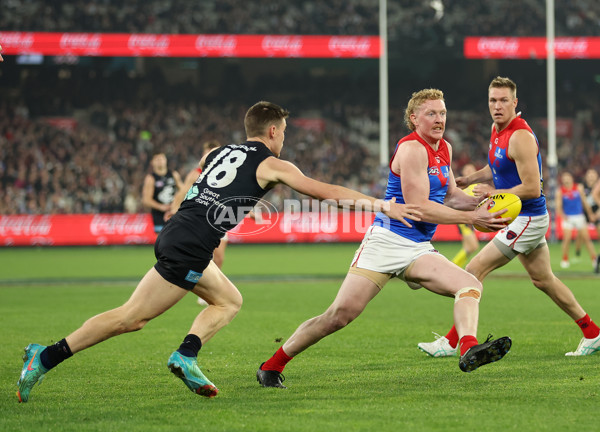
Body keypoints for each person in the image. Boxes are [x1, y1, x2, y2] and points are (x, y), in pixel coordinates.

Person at [16, 101, 422, 402]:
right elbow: (326, 192)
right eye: (284, 132)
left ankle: (184, 354)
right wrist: (383, 205)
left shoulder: (219, 152)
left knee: (228, 300)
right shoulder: (271, 164)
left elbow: (199, 181)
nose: (285, 138)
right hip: (192, 245)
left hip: (179, 231)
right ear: (275, 132)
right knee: (131, 318)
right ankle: (48, 356)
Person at [256, 89, 512, 390]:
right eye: (431, 113)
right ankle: (271, 366)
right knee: (338, 316)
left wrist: (486, 206)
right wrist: (473, 219)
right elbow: (419, 208)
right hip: (387, 241)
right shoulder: (411, 149)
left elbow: (451, 195)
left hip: (417, 248)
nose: (439, 119)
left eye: (442, 113)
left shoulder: (445, 148)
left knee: (469, 285)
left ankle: (468, 347)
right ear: (414, 118)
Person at [417, 77, 600, 359]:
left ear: (515, 103)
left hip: (528, 219)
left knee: (473, 270)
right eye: (493, 100)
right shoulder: (496, 130)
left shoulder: (521, 137)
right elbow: (497, 165)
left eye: (504, 101)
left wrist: (495, 192)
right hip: (525, 220)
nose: (497, 106)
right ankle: (592, 332)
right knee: (544, 280)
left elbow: (533, 187)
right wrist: (469, 178)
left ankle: (455, 342)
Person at [170, 140, 228, 306]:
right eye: (208, 151)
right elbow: (183, 191)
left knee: (219, 257)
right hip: (202, 221)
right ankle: (201, 289)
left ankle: (211, 289)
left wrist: (249, 212)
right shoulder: (196, 173)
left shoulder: (227, 173)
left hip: (222, 218)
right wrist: (174, 208)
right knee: (205, 256)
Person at [555, 171, 597, 269]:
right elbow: (559, 206)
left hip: (579, 216)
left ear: (571, 178)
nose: (566, 179)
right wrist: (563, 216)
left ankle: (594, 259)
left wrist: (590, 213)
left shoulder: (578, 188)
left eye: (567, 177)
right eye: (564, 177)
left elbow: (584, 202)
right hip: (568, 217)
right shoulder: (560, 191)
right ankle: (565, 258)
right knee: (567, 239)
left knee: (586, 239)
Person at [142, 152, 183, 233]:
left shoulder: (174, 174)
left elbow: (184, 191)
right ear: (152, 162)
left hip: (174, 212)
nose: (160, 161)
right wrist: (161, 207)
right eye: (157, 159)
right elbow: (146, 200)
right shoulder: (151, 178)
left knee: (176, 239)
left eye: (161, 158)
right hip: (159, 215)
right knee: (161, 242)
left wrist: (176, 204)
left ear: (166, 160)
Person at [451, 163, 481, 268]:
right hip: (464, 221)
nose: (469, 171)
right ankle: (453, 266)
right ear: (463, 172)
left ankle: (456, 267)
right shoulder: (459, 187)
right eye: (467, 169)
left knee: (468, 247)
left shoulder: (478, 187)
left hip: (471, 219)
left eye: (471, 169)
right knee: (473, 246)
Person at [575, 168, 600, 273]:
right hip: (584, 215)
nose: (591, 176)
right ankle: (594, 260)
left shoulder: (598, 187)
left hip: (597, 214)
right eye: (589, 174)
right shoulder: (581, 187)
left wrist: (597, 214)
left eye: (593, 174)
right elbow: (584, 202)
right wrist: (590, 214)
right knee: (585, 237)